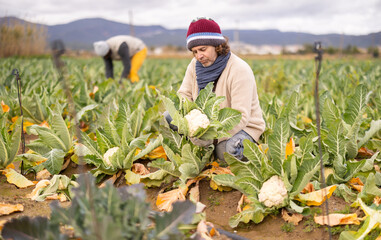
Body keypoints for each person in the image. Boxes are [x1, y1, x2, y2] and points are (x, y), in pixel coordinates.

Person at [177, 17, 266, 162]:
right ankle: (205, 146)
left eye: (203, 49)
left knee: (227, 153)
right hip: (207, 129)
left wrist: (210, 137)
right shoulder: (195, 65)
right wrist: (190, 122)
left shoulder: (239, 69)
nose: (199, 56)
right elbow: (184, 94)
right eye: (194, 51)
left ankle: (248, 148)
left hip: (243, 127)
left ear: (217, 45)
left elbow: (239, 116)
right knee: (169, 117)